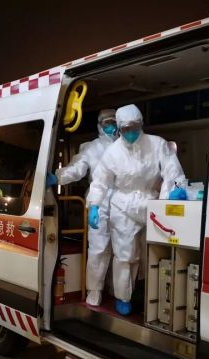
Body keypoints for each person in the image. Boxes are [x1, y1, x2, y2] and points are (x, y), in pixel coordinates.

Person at [87, 104, 185, 316]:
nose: (130, 132)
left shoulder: (157, 144)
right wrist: (94, 205)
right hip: (123, 206)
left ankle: (156, 296)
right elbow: (100, 181)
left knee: (155, 253)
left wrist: (175, 190)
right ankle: (123, 297)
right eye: (126, 129)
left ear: (141, 124)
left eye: (134, 127)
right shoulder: (113, 152)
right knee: (125, 255)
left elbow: (173, 170)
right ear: (120, 129)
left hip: (152, 203)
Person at [49, 109, 118, 306]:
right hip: (100, 202)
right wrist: (58, 177)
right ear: (99, 125)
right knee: (99, 248)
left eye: (113, 122)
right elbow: (77, 169)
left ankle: (118, 292)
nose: (111, 127)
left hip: (123, 203)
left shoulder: (127, 146)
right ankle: (94, 290)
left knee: (123, 250)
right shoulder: (92, 148)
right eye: (106, 123)